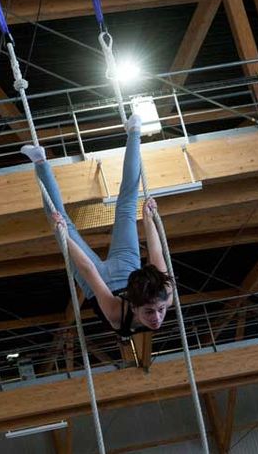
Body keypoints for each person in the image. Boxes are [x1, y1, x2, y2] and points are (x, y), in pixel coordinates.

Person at [21, 113, 173, 339]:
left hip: (97, 283)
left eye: (155, 311)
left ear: (134, 309)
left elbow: (88, 270)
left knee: (59, 220)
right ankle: (134, 131)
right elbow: (156, 253)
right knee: (128, 203)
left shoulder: (116, 313)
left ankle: (41, 162)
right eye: (154, 311)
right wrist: (148, 218)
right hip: (127, 268)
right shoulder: (165, 294)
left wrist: (63, 237)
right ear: (134, 306)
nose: (157, 317)